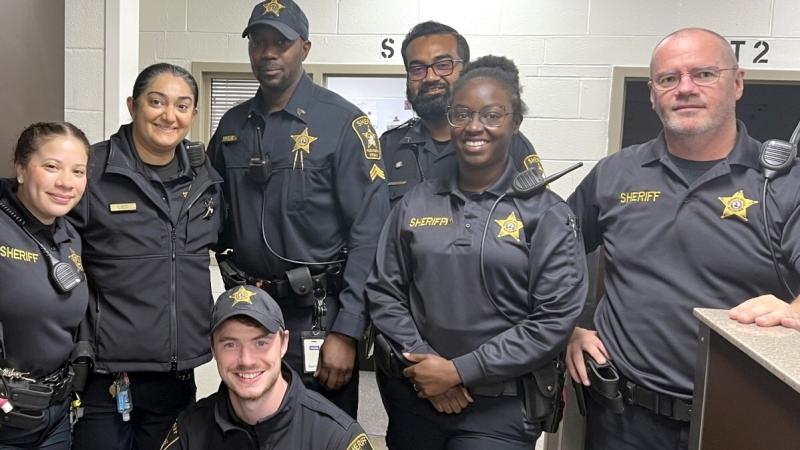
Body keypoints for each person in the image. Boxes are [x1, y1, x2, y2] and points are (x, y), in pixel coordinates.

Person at [566, 28, 800, 450]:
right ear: (653, 93)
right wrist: (569, 328)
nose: (685, 89)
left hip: (747, 418)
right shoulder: (615, 174)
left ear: (738, 82)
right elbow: (548, 257)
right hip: (624, 418)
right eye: (669, 79)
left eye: (704, 74)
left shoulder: (783, 184)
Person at [366, 55, 588, 450]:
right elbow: (385, 292)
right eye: (462, 114)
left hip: (500, 410)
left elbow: (553, 319)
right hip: (418, 396)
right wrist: (427, 366)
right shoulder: (417, 201)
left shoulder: (546, 213)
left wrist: (459, 371)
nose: (474, 127)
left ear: (515, 123)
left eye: (491, 115)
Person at [208, 0, 389, 418]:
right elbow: (213, 216)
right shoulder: (233, 126)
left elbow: (370, 235)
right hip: (250, 315)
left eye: (281, 43)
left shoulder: (342, 124)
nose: (268, 52)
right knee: (247, 426)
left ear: (304, 49)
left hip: (319, 319)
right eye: (258, 42)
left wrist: (348, 330)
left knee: (322, 431)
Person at [69, 63, 224, 450]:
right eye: (157, 102)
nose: (169, 115)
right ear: (133, 105)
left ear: (194, 115)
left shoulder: (204, 181)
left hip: (176, 374)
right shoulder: (93, 170)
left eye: (182, 105)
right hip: (106, 373)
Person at [160, 285, 374, 449]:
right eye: (230, 344)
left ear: (284, 344)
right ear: (213, 349)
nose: (246, 359)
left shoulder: (335, 438)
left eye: (261, 343)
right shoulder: (190, 430)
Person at [381, 21, 544, 205]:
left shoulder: (504, 142)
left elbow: (536, 216)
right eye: (417, 69)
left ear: (465, 71)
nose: (430, 77)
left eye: (443, 65)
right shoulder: (389, 147)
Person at [0, 122, 90, 449]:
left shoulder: (69, 236)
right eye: (51, 167)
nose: (66, 182)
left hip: (55, 415)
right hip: (6, 418)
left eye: (78, 171)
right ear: (21, 169)